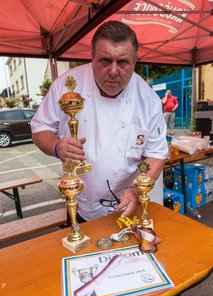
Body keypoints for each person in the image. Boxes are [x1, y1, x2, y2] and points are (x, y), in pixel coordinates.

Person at [31, 20, 168, 223]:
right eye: (105, 60)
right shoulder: (67, 86)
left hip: (129, 204)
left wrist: (136, 190)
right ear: (92, 57)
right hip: (80, 204)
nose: (113, 71)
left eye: (122, 62)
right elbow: (40, 129)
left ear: (135, 61)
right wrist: (57, 147)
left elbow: (156, 155)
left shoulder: (148, 99)